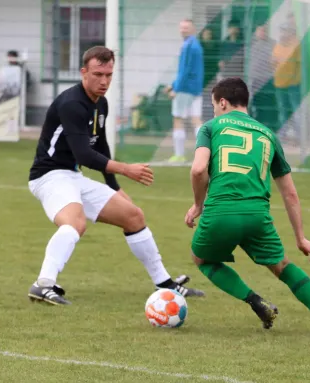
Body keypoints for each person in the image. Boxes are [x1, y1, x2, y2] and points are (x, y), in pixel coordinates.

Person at [27, 46, 204, 305]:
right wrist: (126, 169)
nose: (104, 81)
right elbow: (85, 155)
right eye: (98, 74)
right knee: (75, 223)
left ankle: (165, 284)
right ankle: (43, 284)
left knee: (134, 216)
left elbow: (99, 145)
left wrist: (114, 185)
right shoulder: (71, 104)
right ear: (83, 72)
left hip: (72, 176)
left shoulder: (101, 103)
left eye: (109, 75)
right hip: (49, 176)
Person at [184, 77, 310, 335]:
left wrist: (197, 204)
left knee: (202, 259)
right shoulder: (268, 134)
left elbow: (198, 169)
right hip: (258, 216)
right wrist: (301, 238)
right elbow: (290, 194)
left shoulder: (210, 127)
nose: (214, 110)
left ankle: (255, 300)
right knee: (281, 266)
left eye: (214, 104)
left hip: (221, 212)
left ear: (223, 102)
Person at [165, 19, 204, 163]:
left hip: (185, 88)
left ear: (193, 29)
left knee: (178, 119)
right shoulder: (197, 45)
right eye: (182, 27)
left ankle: (179, 155)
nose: (183, 30)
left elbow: (184, 70)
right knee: (196, 119)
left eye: (186, 28)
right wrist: (173, 84)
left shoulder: (187, 46)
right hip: (196, 88)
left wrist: (176, 88)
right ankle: (204, 155)